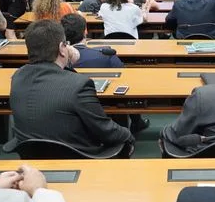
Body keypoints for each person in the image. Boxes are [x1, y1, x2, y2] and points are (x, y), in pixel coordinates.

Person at [10, 19, 133, 155]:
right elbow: (105, 130)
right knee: (123, 140)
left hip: (31, 158)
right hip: (79, 156)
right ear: (63, 48)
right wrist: (128, 135)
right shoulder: (79, 84)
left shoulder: (17, 77)